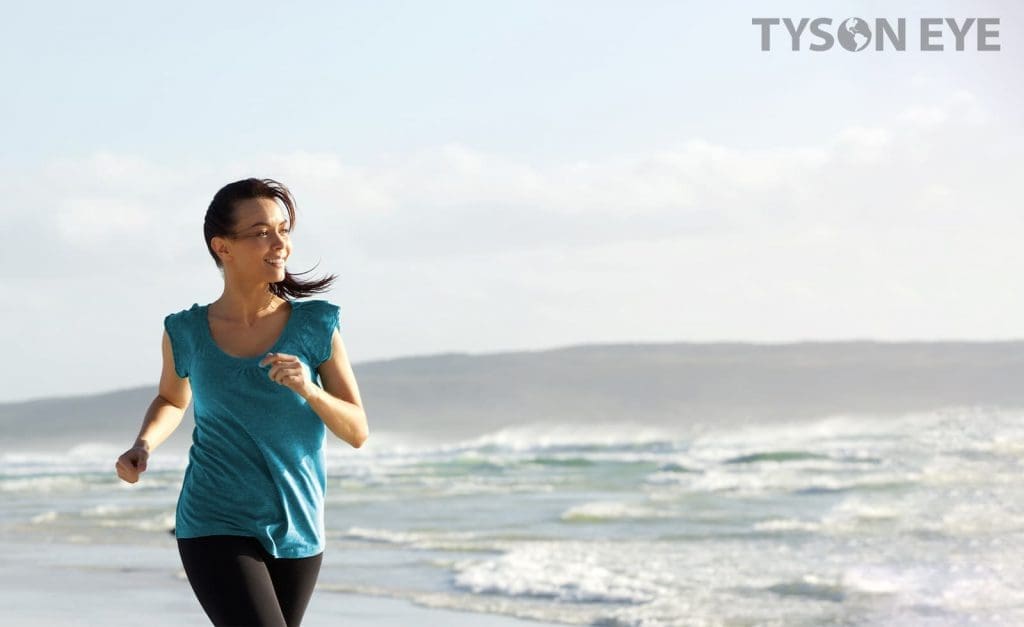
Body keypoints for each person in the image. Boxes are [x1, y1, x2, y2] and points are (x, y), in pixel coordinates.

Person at [114, 177, 369, 626]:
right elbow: (172, 400)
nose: (280, 244)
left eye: (284, 229)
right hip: (214, 519)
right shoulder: (186, 330)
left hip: (299, 524)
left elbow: (357, 431)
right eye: (261, 232)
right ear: (223, 247)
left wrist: (308, 388)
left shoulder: (316, 325)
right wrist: (143, 444)